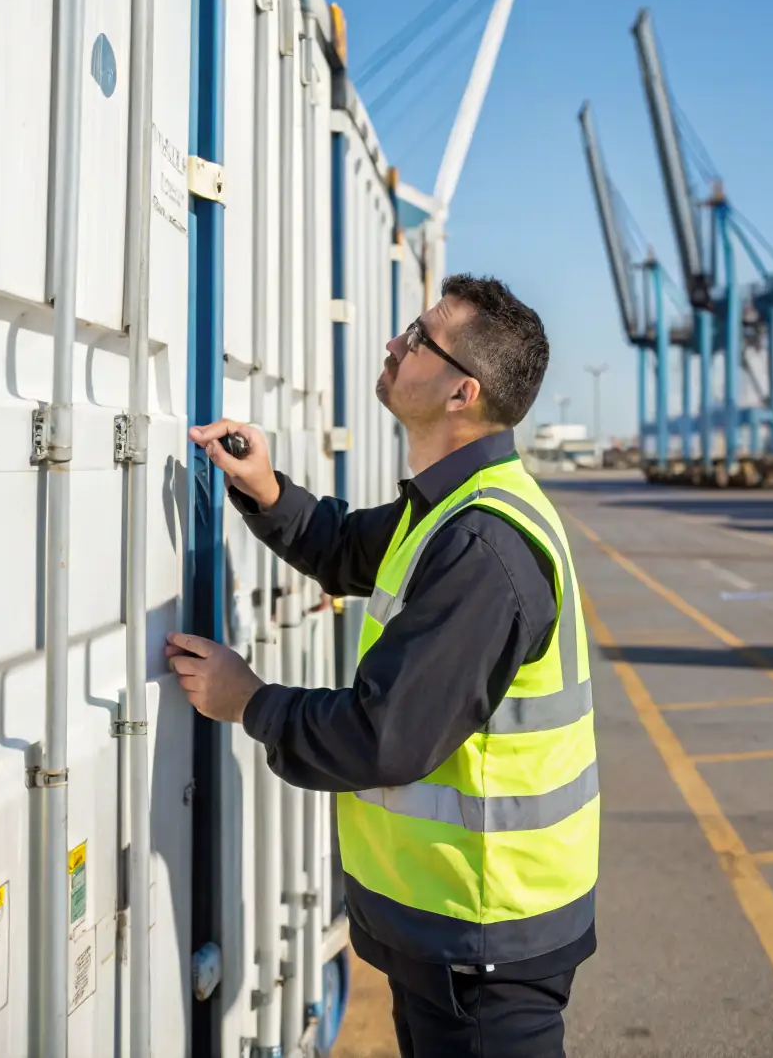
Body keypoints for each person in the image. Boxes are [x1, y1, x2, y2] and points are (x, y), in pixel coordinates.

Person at [166, 274, 599, 1057]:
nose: (396, 344)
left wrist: (249, 699)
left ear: (462, 390)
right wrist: (266, 489)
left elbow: (383, 734)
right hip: (453, 931)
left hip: (483, 940)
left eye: (417, 337)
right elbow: (345, 546)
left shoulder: (481, 543)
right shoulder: (446, 506)